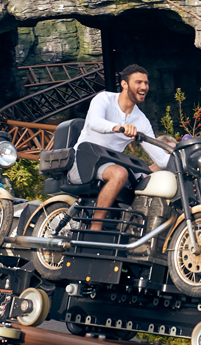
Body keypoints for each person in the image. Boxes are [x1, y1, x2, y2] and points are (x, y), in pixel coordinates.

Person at [68, 64, 169, 230]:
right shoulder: (104, 99)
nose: (144, 87)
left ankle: (134, 231)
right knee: (119, 173)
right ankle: (95, 229)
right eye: (138, 82)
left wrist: (189, 158)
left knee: (145, 179)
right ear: (124, 84)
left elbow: (161, 159)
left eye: (146, 83)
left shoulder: (141, 120)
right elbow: (94, 122)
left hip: (109, 164)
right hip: (82, 162)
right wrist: (118, 127)